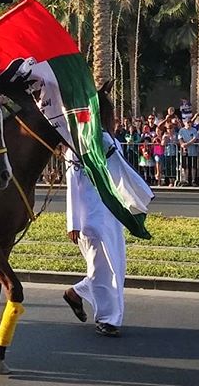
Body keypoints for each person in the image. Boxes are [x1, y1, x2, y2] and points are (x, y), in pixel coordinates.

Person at [63, 131, 153, 337]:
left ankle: (76, 293)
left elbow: (120, 174)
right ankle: (106, 318)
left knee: (115, 265)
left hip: (111, 212)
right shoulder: (75, 145)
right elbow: (72, 183)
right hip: (90, 216)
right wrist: (73, 222)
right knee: (100, 268)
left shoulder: (108, 140)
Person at [178, 118, 199, 186]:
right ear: (184, 123)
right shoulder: (181, 130)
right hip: (185, 151)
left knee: (193, 166)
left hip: (193, 151)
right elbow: (180, 139)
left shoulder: (194, 130)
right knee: (185, 166)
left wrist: (187, 144)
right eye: (187, 122)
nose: (189, 124)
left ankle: (193, 180)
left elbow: (194, 138)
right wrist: (182, 144)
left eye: (190, 122)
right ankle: (186, 180)